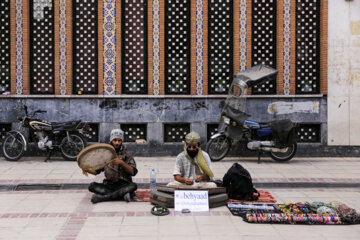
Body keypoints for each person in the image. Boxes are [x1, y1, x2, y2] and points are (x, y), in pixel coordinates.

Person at [83, 129, 138, 203]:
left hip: (123, 185)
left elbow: (133, 172)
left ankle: (103, 198)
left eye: (119, 140)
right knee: (92, 186)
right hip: (109, 185)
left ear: (122, 141)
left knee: (133, 186)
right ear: (111, 140)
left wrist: (122, 163)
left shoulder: (127, 153)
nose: (117, 143)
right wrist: (86, 169)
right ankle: (122, 195)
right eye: (115, 140)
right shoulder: (105, 154)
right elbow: (96, 171)